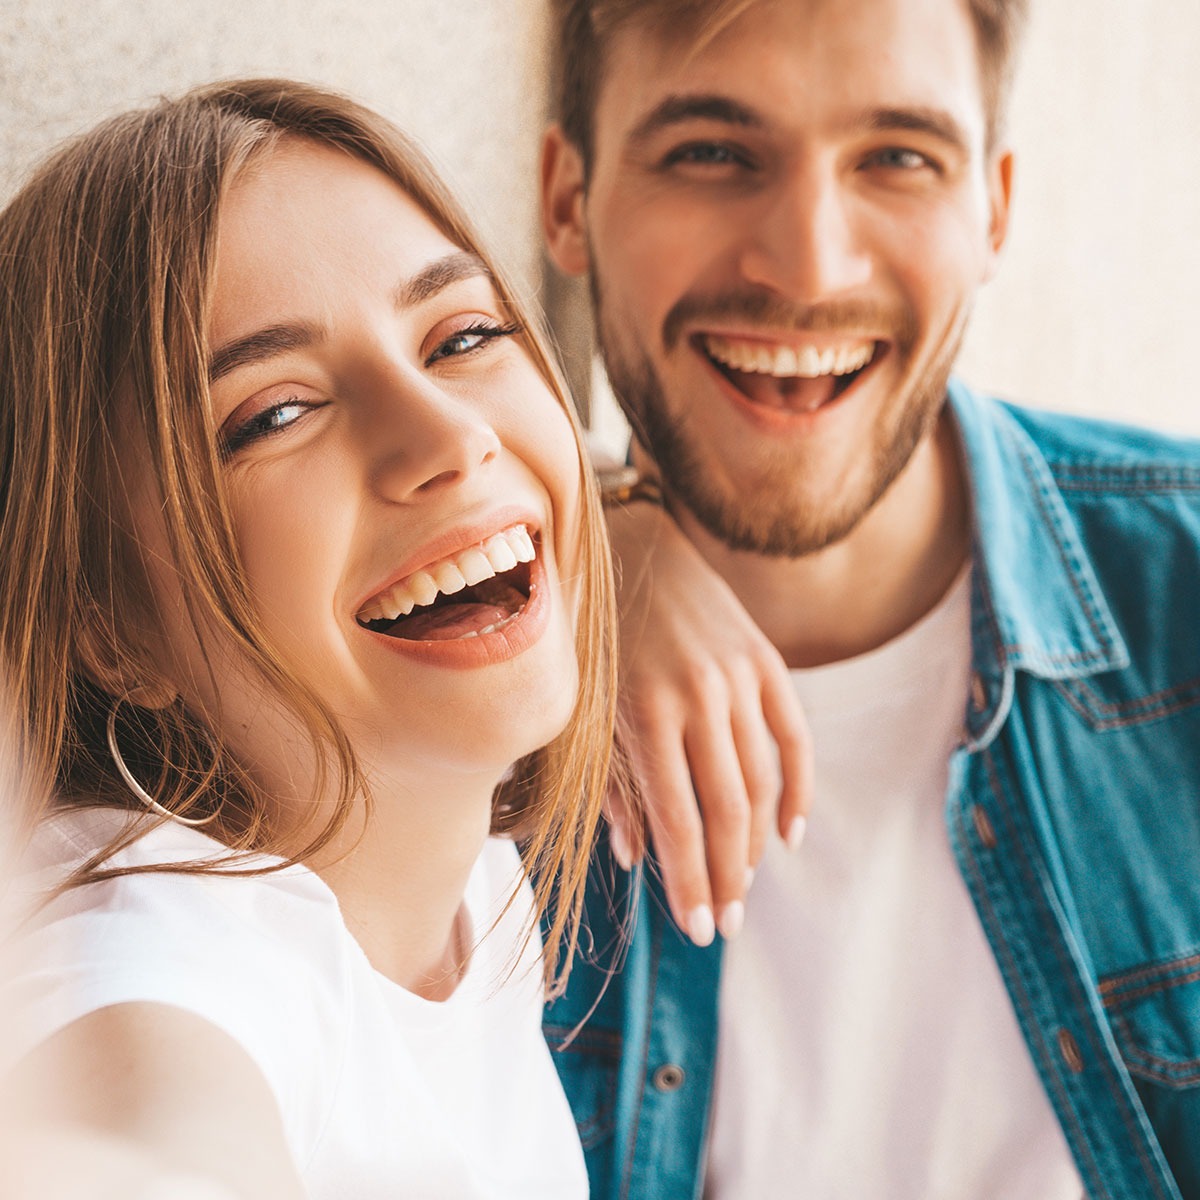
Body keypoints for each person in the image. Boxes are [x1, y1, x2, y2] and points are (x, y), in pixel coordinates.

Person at [538, 1, 1200, 1197]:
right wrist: (590, 542)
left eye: (898, 157)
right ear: (566, 198)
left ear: (993, 205)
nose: (807, 264)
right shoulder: (472, 696)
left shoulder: (1182, 586)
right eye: (711, 151)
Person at [0, 77, 617, 1198]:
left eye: (464, 334)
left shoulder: (478, 887)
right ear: (108, 626)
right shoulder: (156, 954)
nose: (449, 437)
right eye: (274, 414)